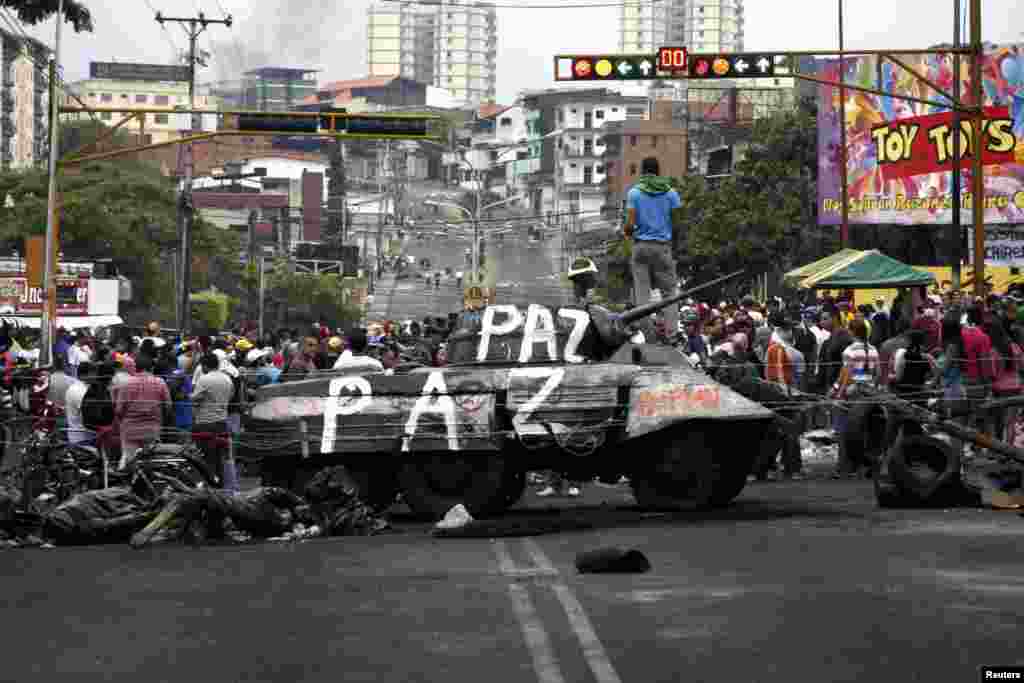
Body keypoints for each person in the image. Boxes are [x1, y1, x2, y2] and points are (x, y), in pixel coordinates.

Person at [624, 157, 681, 339]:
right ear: (658, 171)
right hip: (663, 246)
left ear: (642, 171)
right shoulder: (671, 193)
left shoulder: (634, 193)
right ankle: (672, 334)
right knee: (670, 293)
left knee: (643, 294)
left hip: (641, 246)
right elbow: (677, 222)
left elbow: (630, 224)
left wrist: (627, 232)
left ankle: (647, 335)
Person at [114, 354, 172, 469]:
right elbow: (168, 406)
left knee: (130, 461)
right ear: (151, 368)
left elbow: (119, 410)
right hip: (152, 429)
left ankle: (130, 483)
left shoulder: (126, 384)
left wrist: (123, 421)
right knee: (151, 462)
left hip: (130, 429)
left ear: (136, 368)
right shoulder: (160, 382)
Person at [191, 353, 233, 478]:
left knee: (206, 459)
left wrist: (188, 396)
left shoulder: (204, 379)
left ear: (205, 365)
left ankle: (210, 487)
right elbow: (230, 396)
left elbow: (196, 399)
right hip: (222, 423)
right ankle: (219, 485)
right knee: (220, 458)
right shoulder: (227, 379)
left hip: (205, 423)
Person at [64, 361, 93, 445]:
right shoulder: (79, 390)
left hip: (77, 435)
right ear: (84, 375)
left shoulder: (77, 387)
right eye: (92, 373)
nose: (95, 376)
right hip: (82, 437)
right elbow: (89, 413)